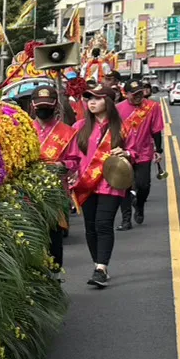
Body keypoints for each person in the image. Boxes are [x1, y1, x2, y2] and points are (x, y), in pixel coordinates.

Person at [70, 83, 129, 289]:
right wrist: (69, 173)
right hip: (86, 184)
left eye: (97, 98)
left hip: (111, 184)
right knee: (90, 227)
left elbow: (135, 152)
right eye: (89, 98)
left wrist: (127, 154)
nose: (91, 102)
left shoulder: (122, 128)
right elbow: (72, 157)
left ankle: (101, 268)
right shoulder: (79, 128)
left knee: (103, 224)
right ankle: (98, 264)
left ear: (109, 101)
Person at [29, 83, 80, 271]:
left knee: (54, 238)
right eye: (40, 105)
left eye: (47, 105)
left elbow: (75, 161)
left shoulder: (67, 132)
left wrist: (61, 165)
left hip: (55, 193)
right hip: (28, 194)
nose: (43, 109)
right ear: (32, 106)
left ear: (55, 105)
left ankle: (56, 274)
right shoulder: (23, 130)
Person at [115, 79, 164, 229]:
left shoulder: (152, 107)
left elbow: (156, 130)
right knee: (124, 186)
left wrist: (158, 150)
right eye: (134, 94)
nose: (137, 96)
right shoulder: (118, 109)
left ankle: (140, 203)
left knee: (144, 185)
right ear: (126, 94)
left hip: (143, 152)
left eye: (140, 93)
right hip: (123, 152)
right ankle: (126, 220)